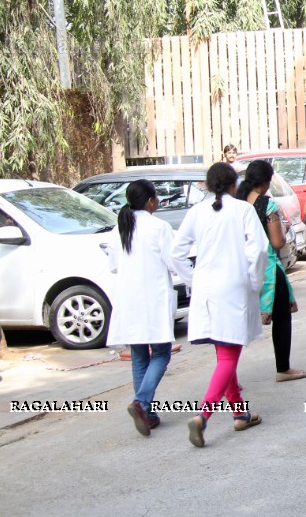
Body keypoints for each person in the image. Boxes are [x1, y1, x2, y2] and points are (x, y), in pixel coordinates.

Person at [171, 162, 268, 448]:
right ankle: (203, 416)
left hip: (206, 289)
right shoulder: (243, 210)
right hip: (234, 287)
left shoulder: (196, 212)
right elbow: (260, 250)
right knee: (227, 357)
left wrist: (193, 278)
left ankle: (240, 412)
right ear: (233, 185)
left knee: (224, 353)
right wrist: (254, 281)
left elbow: (176, 252)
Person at [104, 180, 178, 437]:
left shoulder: (120, 228)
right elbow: (172, 261)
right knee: (161, 353)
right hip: (153, 299)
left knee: (139, 356)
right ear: (149, 201)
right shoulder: (159, 227)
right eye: (156, 197)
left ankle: (147, 413)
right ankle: (142, 403)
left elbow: (113, 265)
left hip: (130, 300)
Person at [236, 161, 306, 382]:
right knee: (282, 316)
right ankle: (283, 368)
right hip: (266, 267)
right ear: (267, 182)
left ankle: (229, 374)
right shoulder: (267, 205)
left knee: (235, 322)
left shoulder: (234, 204)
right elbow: (276, 241)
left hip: (239, 266)